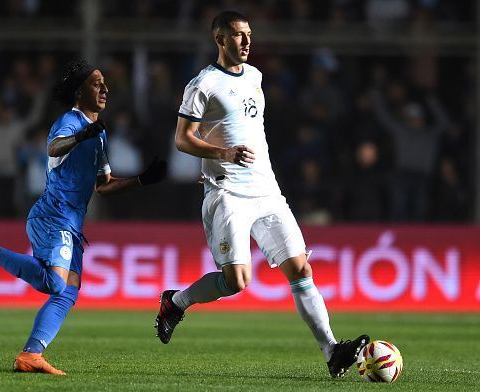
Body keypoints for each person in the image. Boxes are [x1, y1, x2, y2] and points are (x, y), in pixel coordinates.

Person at [154, 11, 369, 378]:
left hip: (266, 189)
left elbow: (245, 128)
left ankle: (332, 350)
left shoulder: (255, 76)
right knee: (237, 281)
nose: (247, 41)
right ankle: (176, 303)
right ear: (220, 40)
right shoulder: (203, 84)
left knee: (300, 269)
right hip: (227, 193)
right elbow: (182, 139)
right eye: (238, 35)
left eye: (249, 34)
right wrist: (221, 155)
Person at [0, 60, 167, 375]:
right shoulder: (71, 122)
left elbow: (104, 186)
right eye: (96, 83)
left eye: (105, 83)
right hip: (53, 215)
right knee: (54, 283)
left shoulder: (97, 136)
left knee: (69, 290)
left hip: (72, 223)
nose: (104, 88)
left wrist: (143, 179)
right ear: (79, 92)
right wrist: (82, 135)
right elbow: (53, 148)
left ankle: (30, 355)